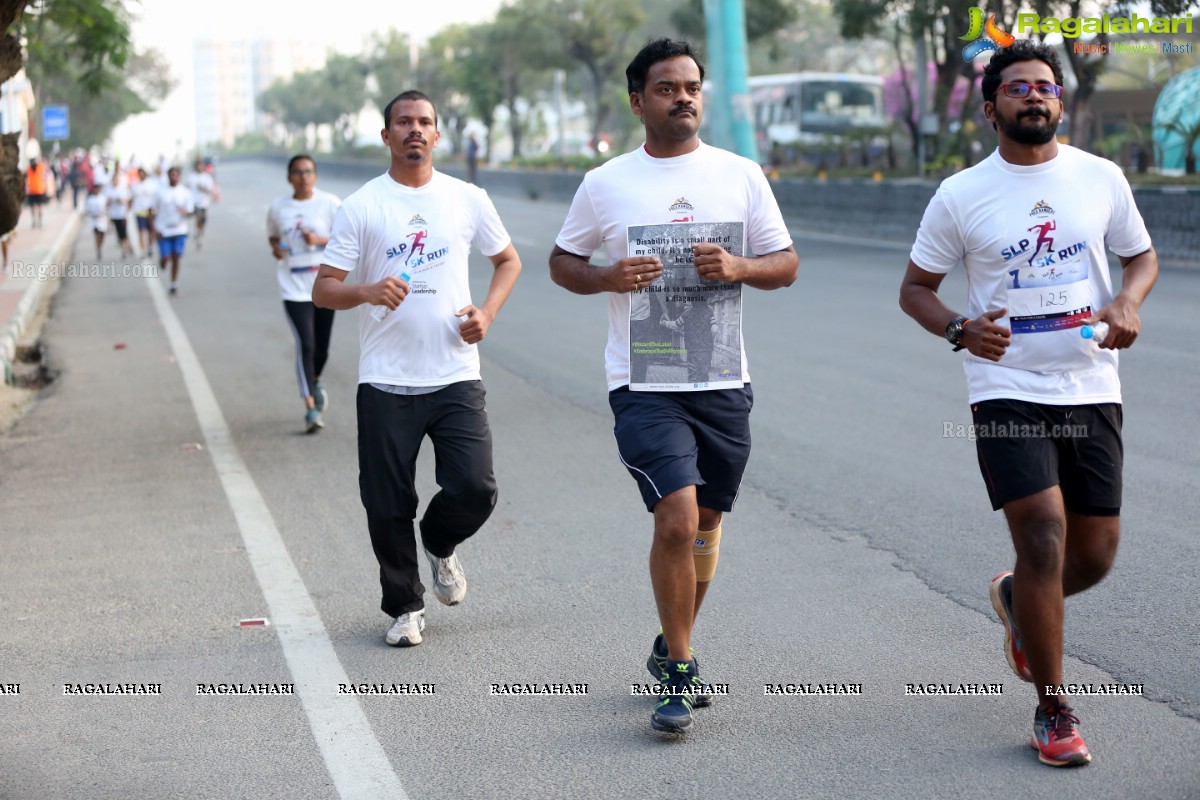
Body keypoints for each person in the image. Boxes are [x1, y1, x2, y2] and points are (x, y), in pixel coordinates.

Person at [898, 40, 1158, 768]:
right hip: (1005, 384)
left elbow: (1140, 257)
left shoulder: (1099, 178)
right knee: (1043, 531)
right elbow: (915, 288)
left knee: (1094, 556)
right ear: (991, 109)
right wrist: (957, 326)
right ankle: (1053, 708)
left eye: (1046, 86)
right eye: (1018, 88)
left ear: (1060, 102)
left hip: (1090, 381)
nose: (1035, 96)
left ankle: (1018, 598)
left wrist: (1127, 301)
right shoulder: (961, 194)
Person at [548, 38, 798, 734]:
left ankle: (670, 641)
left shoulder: (741, 174)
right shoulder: (605, 182)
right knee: (678, 519)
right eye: (667, 88)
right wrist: (606, 276)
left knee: (708, 523)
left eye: (691, 86)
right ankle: (683, 668)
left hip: (721, 376)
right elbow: (562, 262)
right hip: (644, 378)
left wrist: (741, 268)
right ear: (638, 102)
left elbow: (786, 263)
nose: (683, 97)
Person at [313, 90, 522, 648]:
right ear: (386, 135)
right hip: (385, 379)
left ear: (436, 135)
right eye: (403, 122)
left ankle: (439, 541)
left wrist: (488, 312)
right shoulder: (362, 205)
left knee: (476, 487)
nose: (414, 130)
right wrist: (367, 290)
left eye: (424, 122)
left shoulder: (466, 199)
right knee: (386, 502)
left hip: (455, 372)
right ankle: (405, 606)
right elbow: (324, 289)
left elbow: (507, 261)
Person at [266, 155, 342, 433]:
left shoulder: (331, 204)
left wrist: (319, 240)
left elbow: (347, 238)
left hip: (325, 285)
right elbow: (273, 237)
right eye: (297, 172)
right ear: (289, 177)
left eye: (308, 172)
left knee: (322, 348)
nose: (303, 177)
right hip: (293, 288)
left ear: (316, 176)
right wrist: (277, 249)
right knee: (306, 344)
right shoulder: (278, 208)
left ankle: (315, 378)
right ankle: (310, 406)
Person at [150, 167, 195, 296]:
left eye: (176, 175)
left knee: (176, 257)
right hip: (163, 230)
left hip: (180, 230)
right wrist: (153, 228)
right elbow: (151, 211)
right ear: (168, 176)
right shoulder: (160, 192)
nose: (173, 177)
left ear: (179, 176)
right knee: (166, 257)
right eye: (171, 175)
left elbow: (191, 212)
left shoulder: (185, 192)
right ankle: (163, 261)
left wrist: (185, 212)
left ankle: (173, 284)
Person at [185, 159, 217, 250]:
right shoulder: (191, 177)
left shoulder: (207, 177)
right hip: (194, 202)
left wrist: (203, 188)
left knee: (203, 221)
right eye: (198, 165)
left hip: (204, 203)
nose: (199, 167)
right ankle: (197, 234)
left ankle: (199, 235)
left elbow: (211, 190)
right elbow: (186, 188)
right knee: (198, 217)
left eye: (201, 165)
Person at [131, 167, 159, 257]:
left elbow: (157, 197)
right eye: (139, 173)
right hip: (140, 211)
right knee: (141, 231)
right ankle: (143, 250)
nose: (141, 175)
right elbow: (132, 198)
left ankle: (150, 247)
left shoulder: (152, 184)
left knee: (151, 231)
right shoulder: (135, 185)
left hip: (151, 211)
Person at [106, 171, 134, 259]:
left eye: (117, 179)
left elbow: (129, 201)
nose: (115, 181)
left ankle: (124, 251)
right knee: (119, 234)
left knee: (123, 233)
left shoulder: (123, 189)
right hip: (114, 215)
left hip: (122, 215)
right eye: (114, 179)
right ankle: (128, 246)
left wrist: (122, 202)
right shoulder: (109, 190)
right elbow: (106, 203)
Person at [83, 184, 108, 260]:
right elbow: (87, 210)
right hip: (94, 220)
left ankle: (100, 246)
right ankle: (98, 249)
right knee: (97, 234)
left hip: (102, 220)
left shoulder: (103, 198)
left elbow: (106, 208)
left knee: (102, 235)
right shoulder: (90, 199)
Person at [25, 158, 50, 228]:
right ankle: (38, 222)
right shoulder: (40, 168)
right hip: (37, 190)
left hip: (34, 190)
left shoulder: (30, 169)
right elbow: (45, 178)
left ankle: (35, 221)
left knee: (34, 207)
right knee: (39, 207)